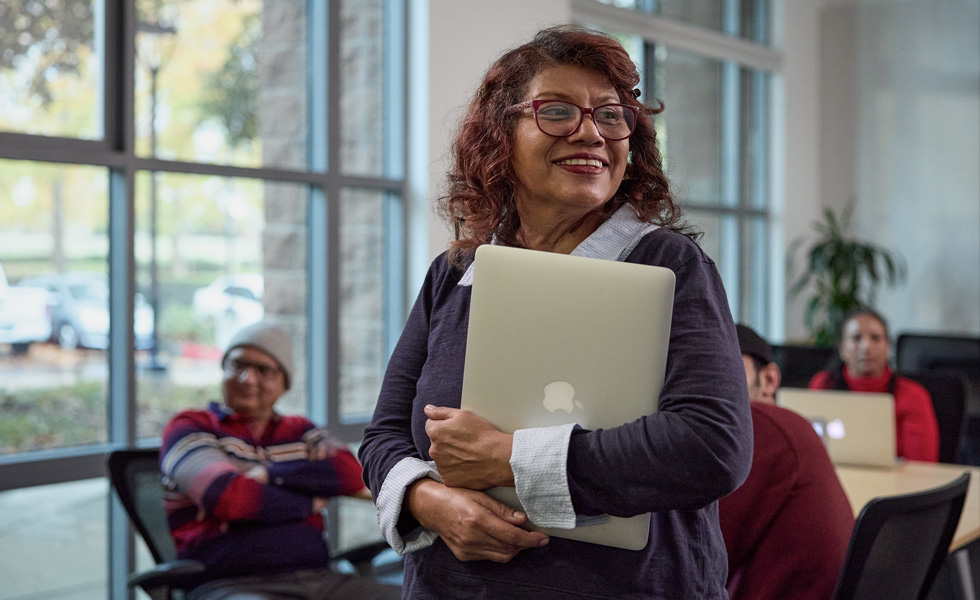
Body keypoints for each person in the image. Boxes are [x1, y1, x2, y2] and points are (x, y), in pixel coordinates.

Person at [357, 26, 753, 599]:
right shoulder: (456, 272)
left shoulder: (667, 265)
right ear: (499, 134)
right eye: (558, 111)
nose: (590, 132)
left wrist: (510, 457)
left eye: (612, 116)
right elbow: (385, 436)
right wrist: (428, 500)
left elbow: (711, 446)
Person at [160, 322, 401, 600]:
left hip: (321, 579)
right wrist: (307, 502)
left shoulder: (300, 430)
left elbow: (350, 473)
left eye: (263, 370)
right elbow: (228, 497)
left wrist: (266, 475)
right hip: (231, 585)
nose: (247, 378)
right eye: (237, 365)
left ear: (283, 383)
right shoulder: (190, 427)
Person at [719, 324, 854, 600]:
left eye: (722, 370)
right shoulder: (789, 424)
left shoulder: (758, 424)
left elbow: (708, 560)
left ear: (768, 380)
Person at [808, 308, 940, 462]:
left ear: (888, 347)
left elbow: (922, 465)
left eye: (876, 338)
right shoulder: (824, 385)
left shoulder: (913, 396)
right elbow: (810, 452)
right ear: (842, 348)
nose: (866, 347)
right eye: (856, 338)